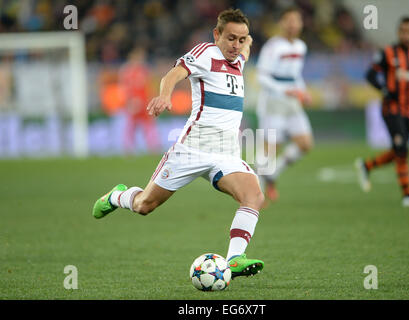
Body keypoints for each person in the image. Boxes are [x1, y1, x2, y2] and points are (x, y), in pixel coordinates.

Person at [92, 9, 265, 278]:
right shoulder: (206, 53)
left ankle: (234, 259)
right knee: (144, 205)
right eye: (231, 38)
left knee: (253, 195)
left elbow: (247, 47)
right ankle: (117, 196)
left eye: (241, 39)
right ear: (217, 34)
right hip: (192, 149)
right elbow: (172, 75)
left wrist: (247, 42)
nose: (236, 45)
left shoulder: (240, 58)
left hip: (226, 153)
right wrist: (164, 96)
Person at [355, 16, 409, 207]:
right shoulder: (388, 53)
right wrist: (384, 89)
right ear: (399, 32)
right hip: (391, 108)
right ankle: (408, 195)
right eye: (403, 31)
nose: (406, 35)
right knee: (402, 149)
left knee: (401, 150)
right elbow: (370, 74)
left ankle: (367, 166)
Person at [255, 6, 313, 203]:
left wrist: (303, 91)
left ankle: (273, 174)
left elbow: (295, 75)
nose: (292, 24)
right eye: (288, 20)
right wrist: (283, 90)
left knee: (305, 143)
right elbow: (261, 76)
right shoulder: (273, 46)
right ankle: (256, 193)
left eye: (296, 20)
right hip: (273, 101)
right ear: (281, 23)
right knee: (270, 147)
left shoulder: (300, 47)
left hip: (292, 100)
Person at [119, 47, 161, 154]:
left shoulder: (145, 70)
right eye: (138, 57)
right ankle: (128, 149)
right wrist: (128, 102)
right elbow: (124, 88)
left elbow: (151, 86)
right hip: (133, 103)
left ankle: (153, 147)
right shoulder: (127, 71)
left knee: (148, 126)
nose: (140, 59)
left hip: (145, 103)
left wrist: (152, 100)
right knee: (130, 127)